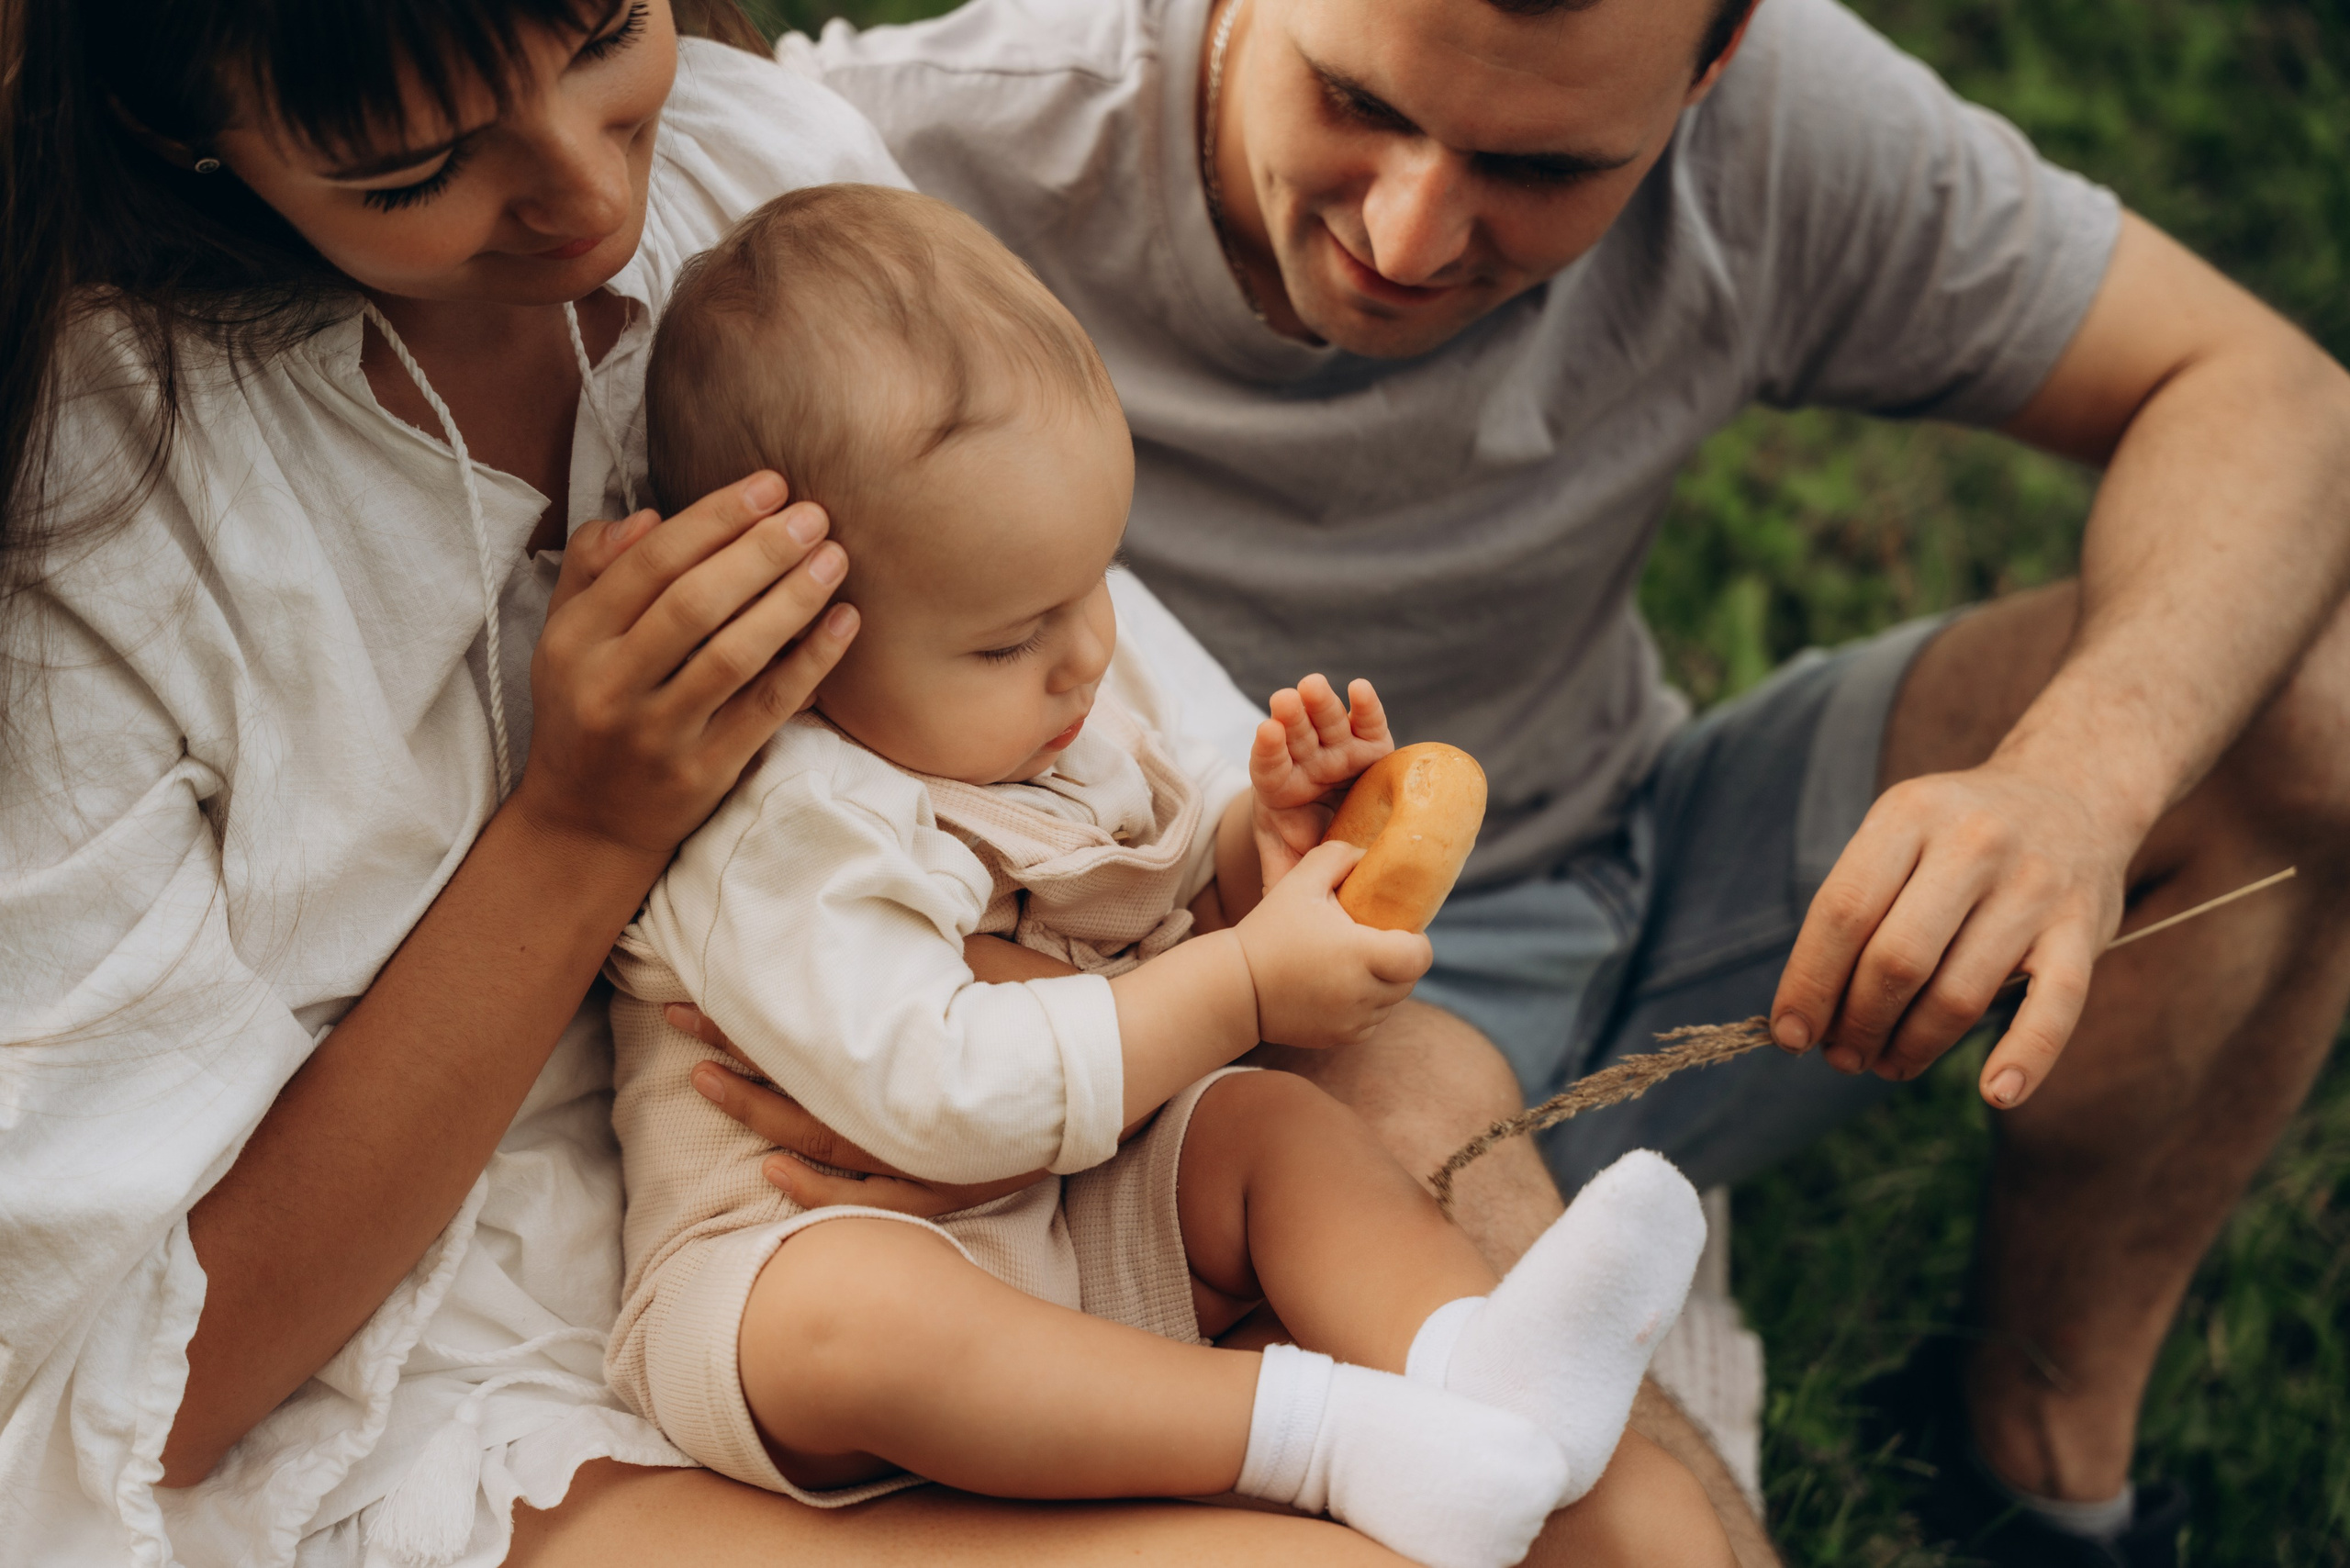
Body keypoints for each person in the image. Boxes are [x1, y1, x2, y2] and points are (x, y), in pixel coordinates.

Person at [0, 2, 1708, 1565]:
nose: (587, 196)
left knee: (1628, 1525)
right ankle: (1330, 1439)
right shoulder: (96, 509)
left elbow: (1110, 764)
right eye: (418, 164)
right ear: (172, 122)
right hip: (481, 1362)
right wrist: (587, 825)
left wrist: (1227, 886)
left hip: (1036, 1095)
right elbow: (167, 1386)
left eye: (604, 32)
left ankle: (1477, 1374)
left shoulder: (761, 182)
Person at [766, 0, 2350, 1559]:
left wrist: (2079, 782)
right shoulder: (905, 162)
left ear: (1713, 67)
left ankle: (2043, 1463)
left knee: (2316, 704)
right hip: (1241, 1014)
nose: (1409, 226)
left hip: (1635, 870)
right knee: (1601, 1514)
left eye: (1538, 169)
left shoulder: (1777, 115)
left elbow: (2280, 401)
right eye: (1359, 103)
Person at [596, 182, 1721, 1568]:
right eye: (1011, 638)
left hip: (1071, 1218)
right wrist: (1242, 984)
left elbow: (1157, 913)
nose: (1082, 657)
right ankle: (1329, 1435)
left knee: (1269, 1134)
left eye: (1092, 585)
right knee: (855, 1324)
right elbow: (936, 1095)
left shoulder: (1050, 724)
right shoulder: (782, 821)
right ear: (798, 649)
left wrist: (1268, 851)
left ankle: (1473, 1367)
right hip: (803, 1256)